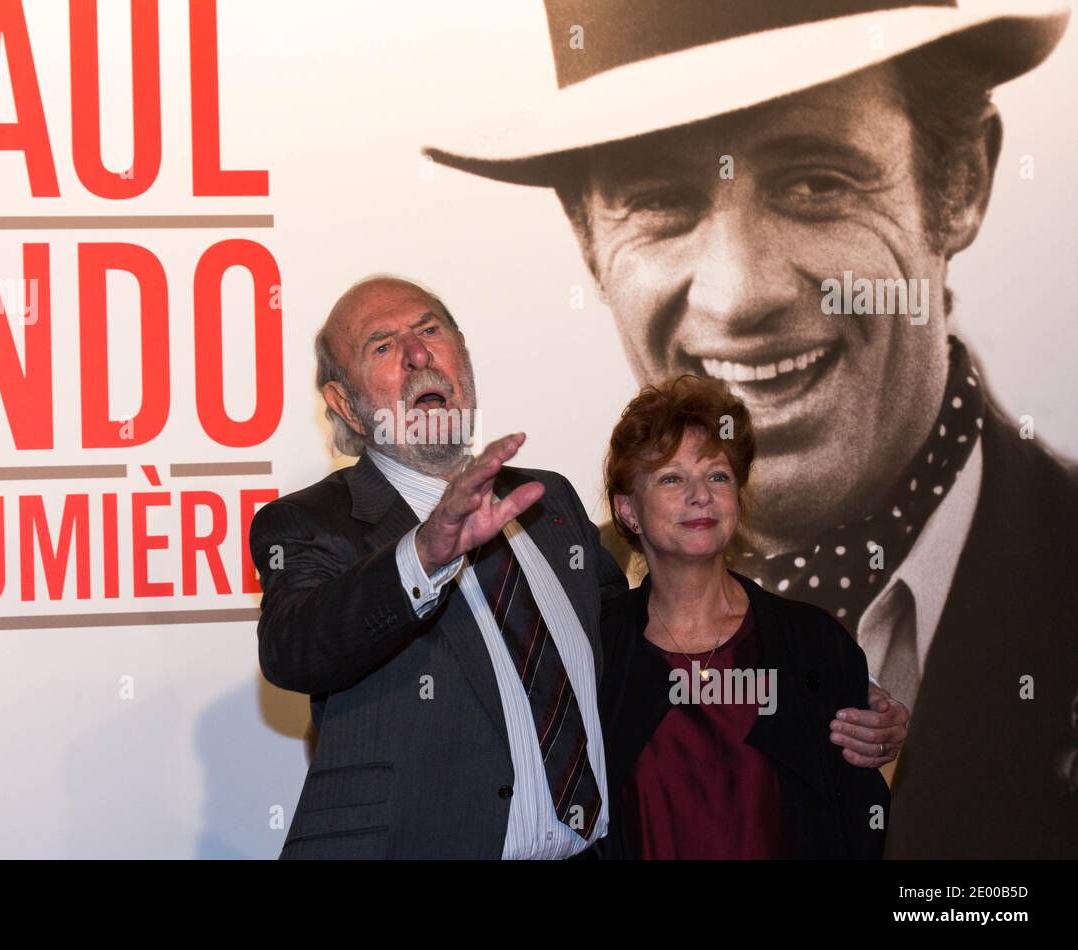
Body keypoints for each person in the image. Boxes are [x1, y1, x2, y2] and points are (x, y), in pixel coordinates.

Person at [424, 0, 1077, 857]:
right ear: (587, 236)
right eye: (658, 199)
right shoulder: (558, 631)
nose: (740, 294)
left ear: (960, 184)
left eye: (816, 182)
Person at [250, 274, 906, 858]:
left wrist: (831, 689)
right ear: (342, 404)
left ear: (464, 359)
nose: (419, 353)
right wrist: (426, 551)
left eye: (431, 329)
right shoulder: (310, 524)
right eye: (383, 345)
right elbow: (295, 649)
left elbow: (634, 644)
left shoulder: (548, 502)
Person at [599, 375, 888, 859]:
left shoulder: (811, 642)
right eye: (672, 478)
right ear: (628, 510)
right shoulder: (597, 648)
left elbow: (857, 821)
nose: (700, 496)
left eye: (717, 476)